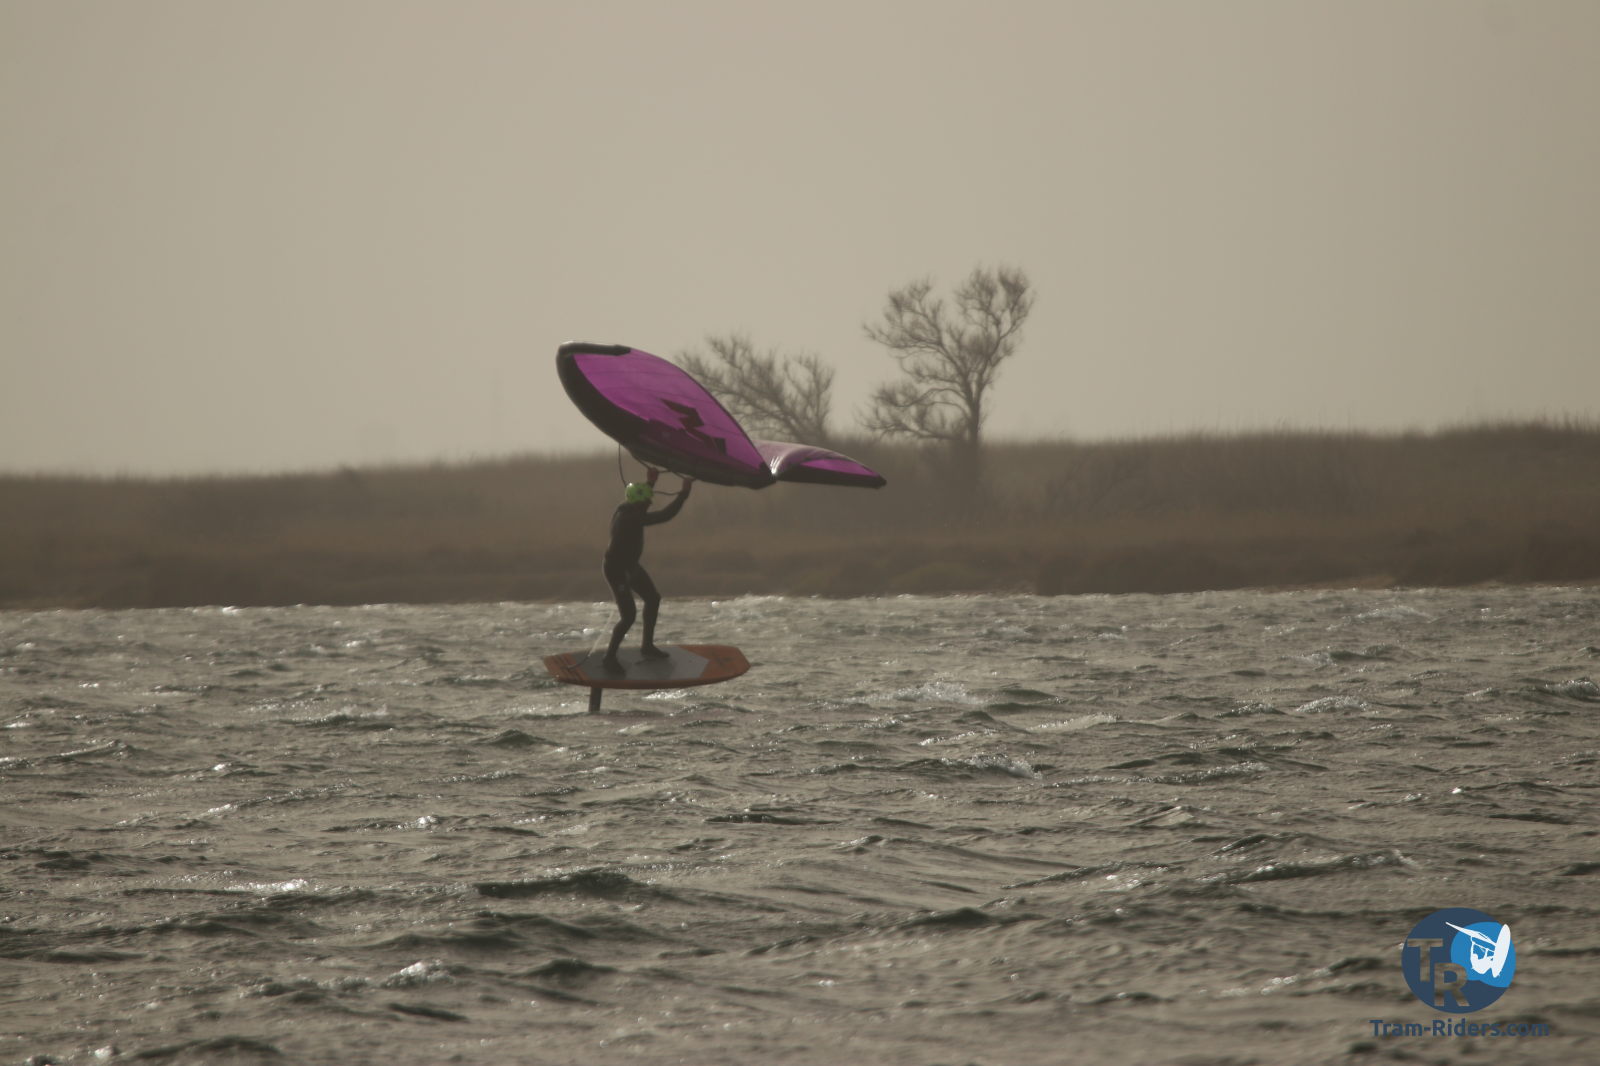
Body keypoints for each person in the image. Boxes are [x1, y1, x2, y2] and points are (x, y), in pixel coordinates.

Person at [601, 471, 693, 672]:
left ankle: (647, 646)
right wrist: (683, 494)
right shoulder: (630, 518)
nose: (650, 504)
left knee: (653, 598)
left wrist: (650, 483)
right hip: (617, 569)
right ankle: (609, 658)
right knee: (628, 616)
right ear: (639, 503)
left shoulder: (627, 506)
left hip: (630, 566)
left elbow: (639, 498)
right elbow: (665, 515)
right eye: (647, 502)